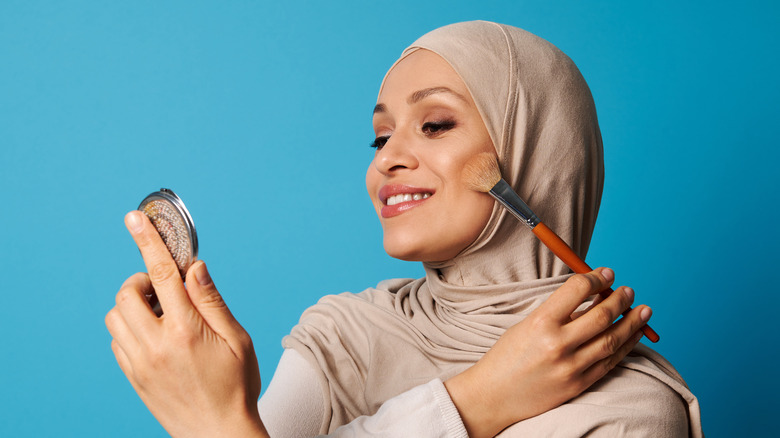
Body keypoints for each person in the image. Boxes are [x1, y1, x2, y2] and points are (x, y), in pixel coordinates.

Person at [105, 21, 702, 437]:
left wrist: (213, 424)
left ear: (540, 151)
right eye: (381, 135)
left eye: (436, 124)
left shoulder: (631, 411)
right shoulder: (345, 336)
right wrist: (476, 401)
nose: (386, 158)